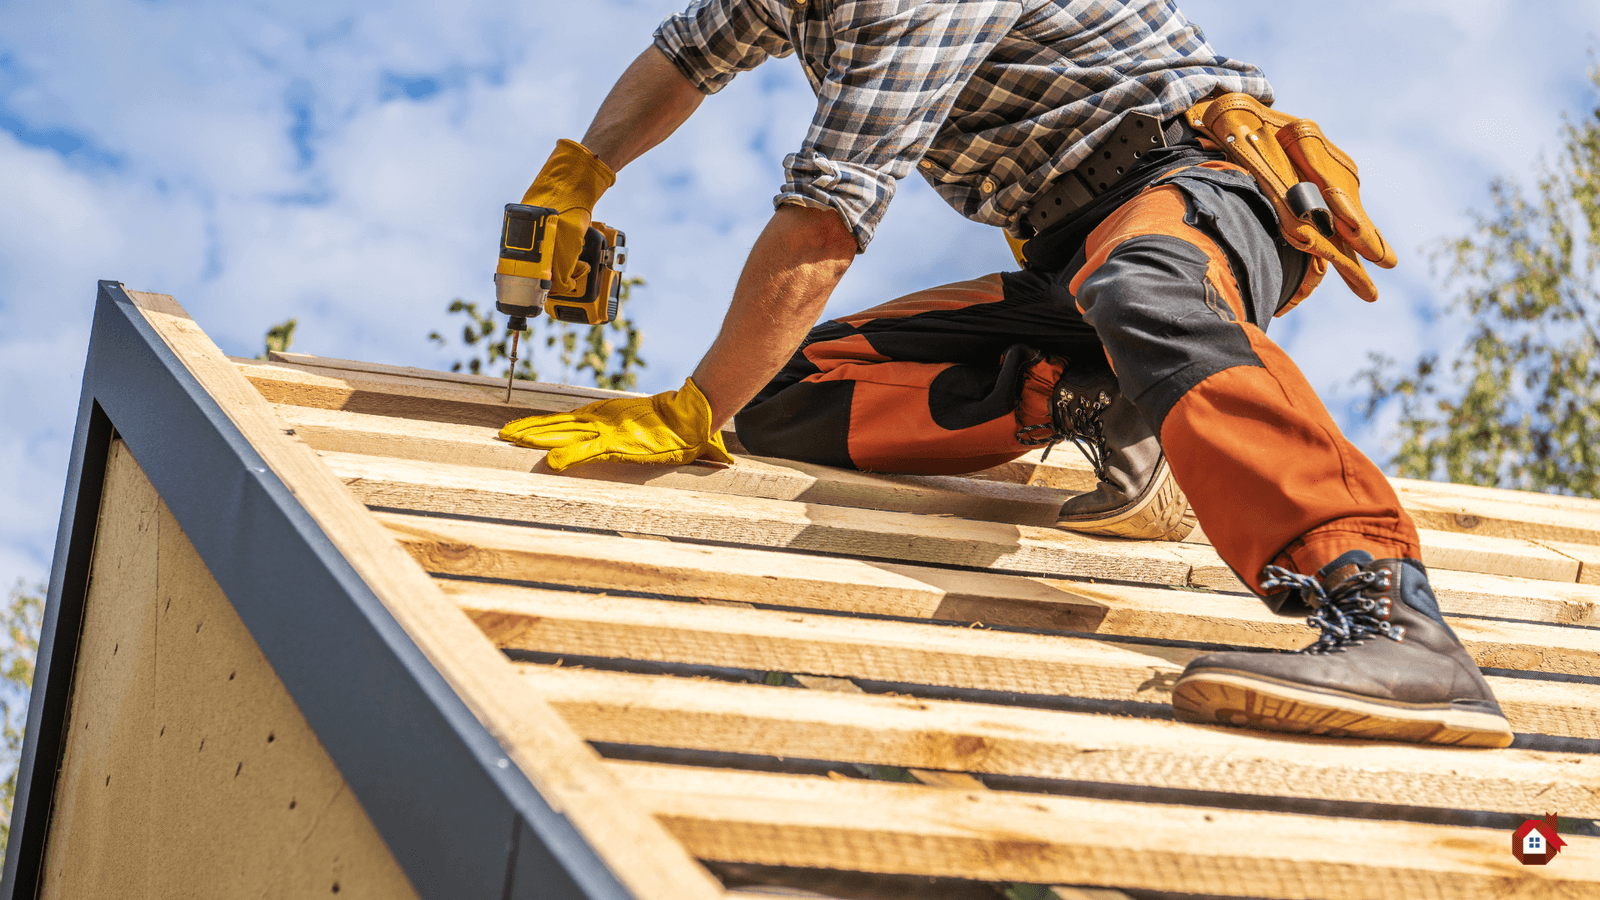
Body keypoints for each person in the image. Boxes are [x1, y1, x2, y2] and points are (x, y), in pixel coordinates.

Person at [498, 0, 1513, 748]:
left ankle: (1386, 612)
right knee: (783, 396)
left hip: (1192, 187)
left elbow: (825, 218)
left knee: (1147, 289)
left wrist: (689, 410)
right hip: (1075, 258)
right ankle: (1102, 398)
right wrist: (581, 170)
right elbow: (687, 53)